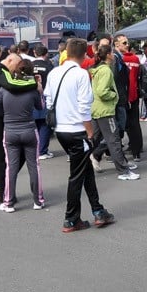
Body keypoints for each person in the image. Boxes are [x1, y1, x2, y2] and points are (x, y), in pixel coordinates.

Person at [45, 38, 116, 232]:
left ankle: (98, 210)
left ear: (66, 52)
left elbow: (48, 100)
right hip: (78, 131)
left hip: (61, 130)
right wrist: (91, 132)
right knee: (77, 175)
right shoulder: (81, 75)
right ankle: (71, 218)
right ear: (85, 55)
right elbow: (85, 107)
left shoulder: (54, 73)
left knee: (84, 170)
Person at [0, 59, 45, 212]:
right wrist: (40, 91)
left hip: (10, 131)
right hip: (29, 130)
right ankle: (38, 201)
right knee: (34, 166)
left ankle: (8, 202)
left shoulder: (4, 90)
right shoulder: (32, 90)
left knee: (10, 168)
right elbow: (40, 107)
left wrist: (6, 113)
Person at [89, 44, 139, 180]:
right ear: (109, 54)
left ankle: (91, 158)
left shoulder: (98, 69)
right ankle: (123, 171)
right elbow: (102, 91)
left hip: (97, 109)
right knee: (114, 140)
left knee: (95, 138)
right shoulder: (105, 70)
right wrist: (114, 95)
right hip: (105, 110)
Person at [119, 37, 144, 162]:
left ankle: (119, 151)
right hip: (134, 95)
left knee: (124, 124)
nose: (127, 44)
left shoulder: (120, 59)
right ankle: (136, 151)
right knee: (134, 124)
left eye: (126, 43)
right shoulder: (135, 59)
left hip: (124, 96)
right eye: (125, 43)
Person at [31, 44, 54, 159]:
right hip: (45, 96)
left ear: (35, 53)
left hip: (31, 97)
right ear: (46, 54)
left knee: (34, 124)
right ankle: (43, 150)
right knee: (45, 124)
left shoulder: (30, 65)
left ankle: (35, 150)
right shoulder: (49, 65)